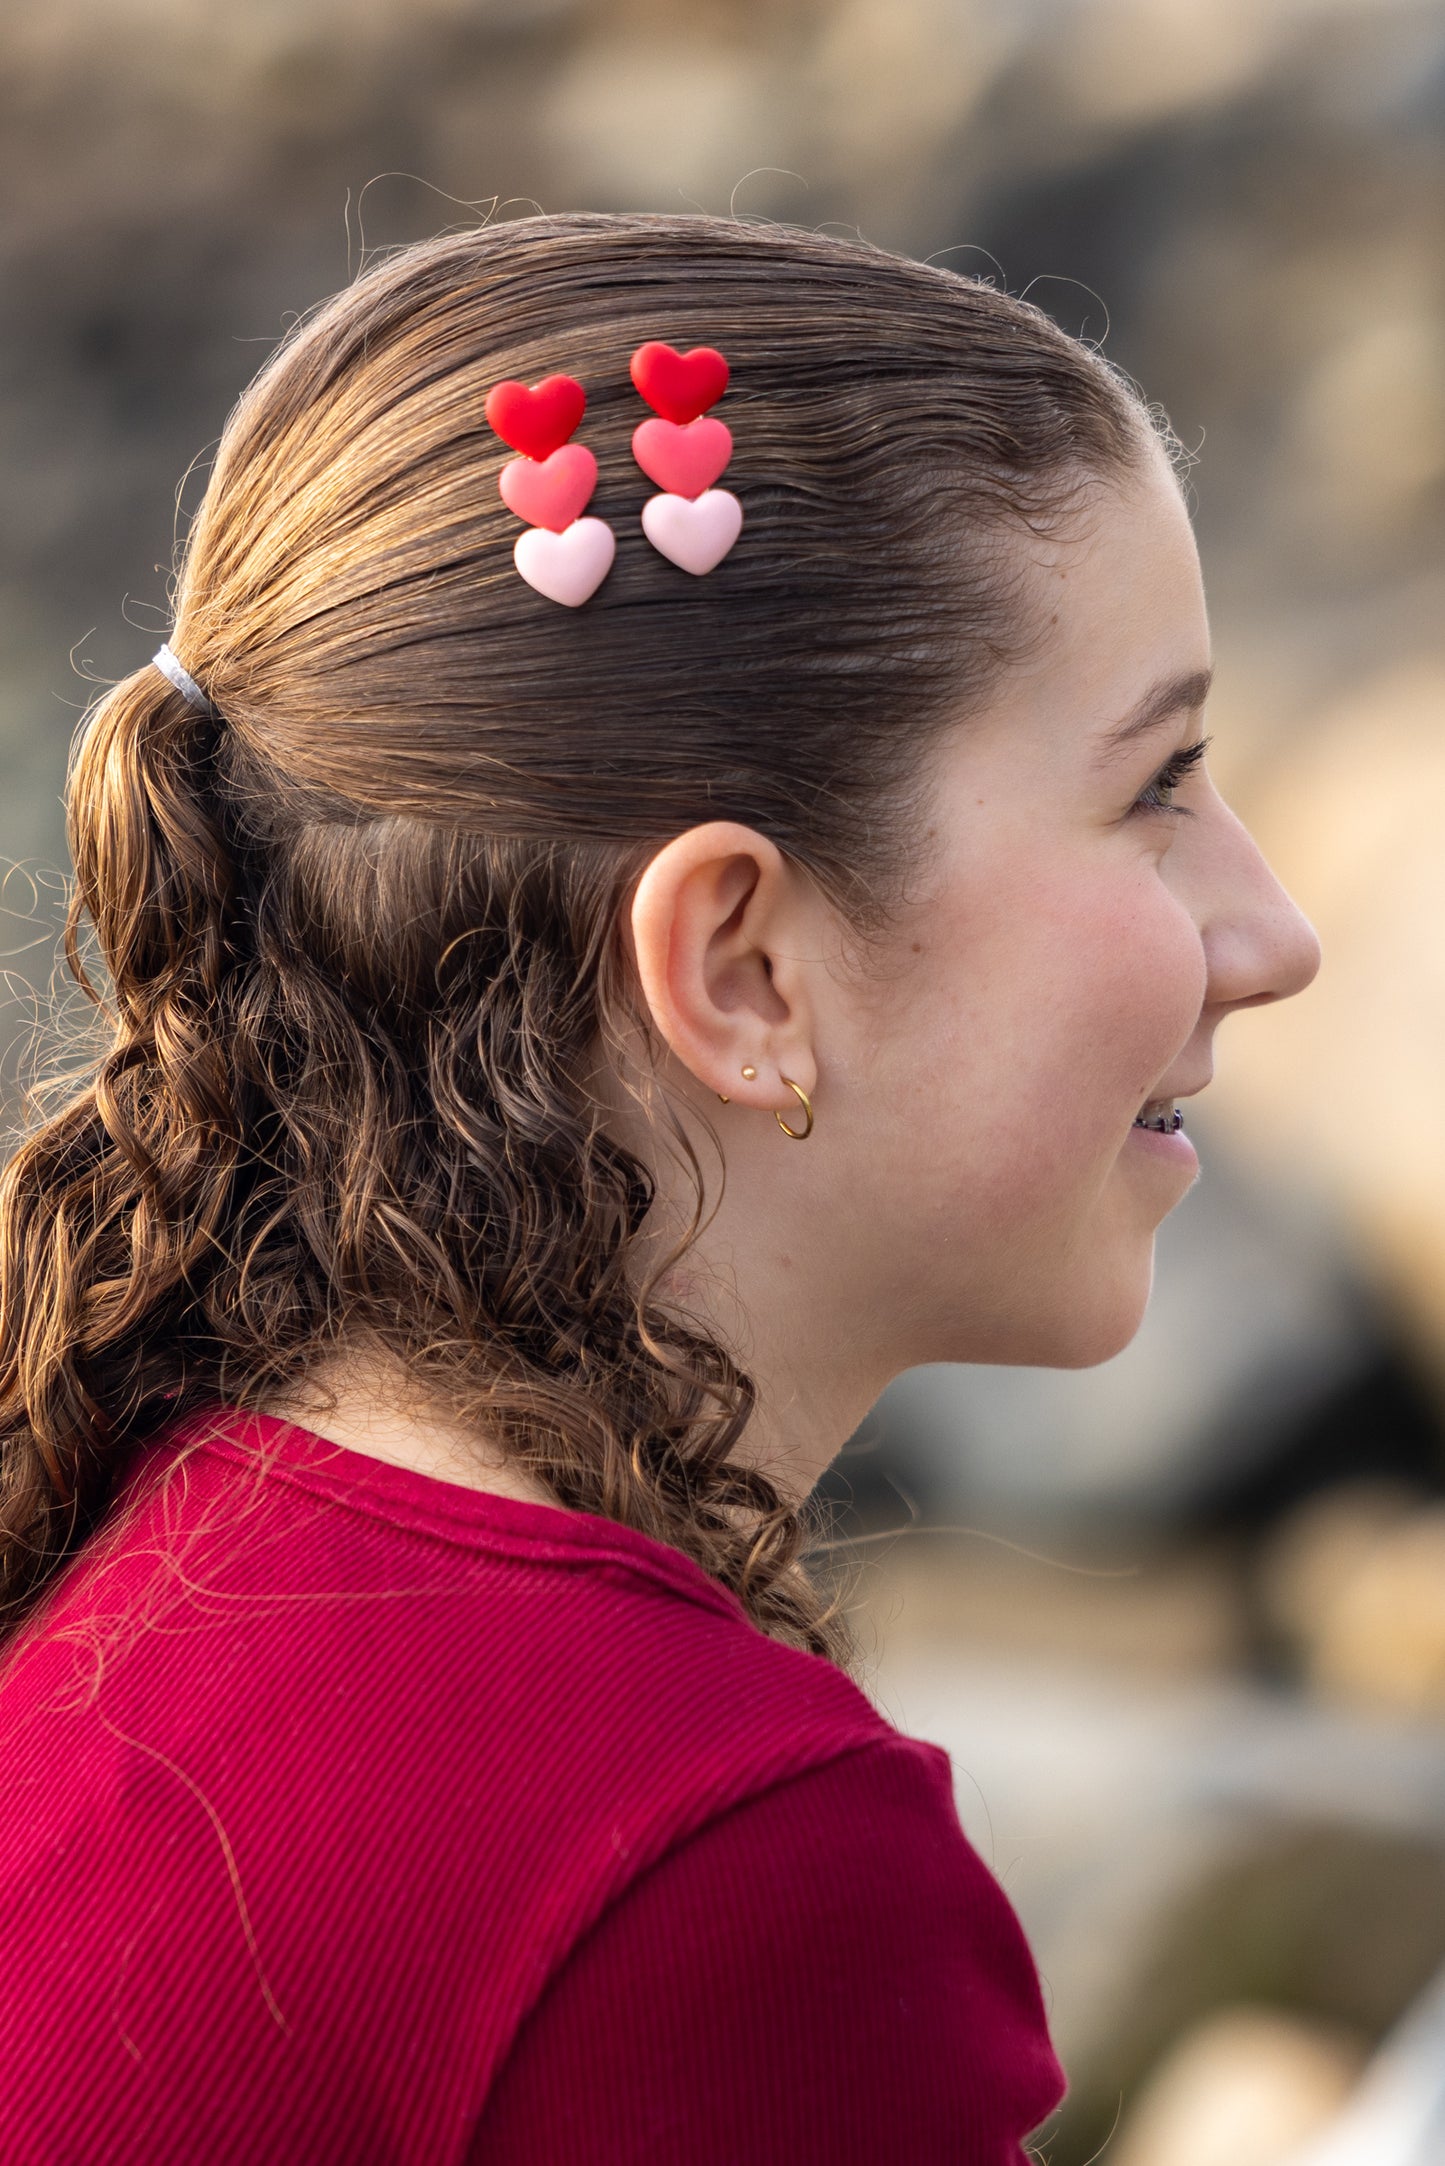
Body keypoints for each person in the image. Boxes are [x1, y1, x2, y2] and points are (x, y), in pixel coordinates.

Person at [0, 213, 1318, 2163]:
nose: (1273, 931)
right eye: (1156, 784)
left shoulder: (142, 1516)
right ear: (740, 969)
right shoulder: (715, 1865)